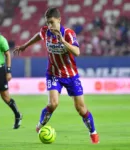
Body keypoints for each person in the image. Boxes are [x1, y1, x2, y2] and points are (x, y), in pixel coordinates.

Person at [14, 7, 99, 144]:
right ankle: (40, 125)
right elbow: (39, 35)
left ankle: (93, 133)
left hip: (71, 76)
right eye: (47, 22)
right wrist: (25, 45)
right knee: (53, 103)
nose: (49, 25)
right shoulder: (45, 31)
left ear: (59, 20)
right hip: (53, 74)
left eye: (52, 22)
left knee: (81, 108)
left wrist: (63, 41)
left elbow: (77, 52)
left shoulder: (69, 34)